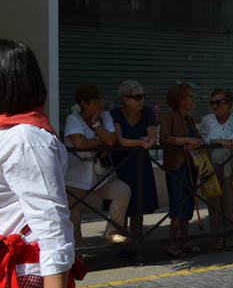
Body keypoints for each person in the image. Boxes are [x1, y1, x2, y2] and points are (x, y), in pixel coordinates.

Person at [0, 40, 112, 288]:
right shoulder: (12, 131)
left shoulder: (26, 138)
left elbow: (53, 221)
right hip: (15, 268)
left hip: (26, 273)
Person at [63, 84, 131, 245]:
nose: (100, 104)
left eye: (101, 99)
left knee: (123, 191)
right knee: (74, 218)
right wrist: (99, 143)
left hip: (101, 176)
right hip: (74, 177)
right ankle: (76, 255)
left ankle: (111, 232)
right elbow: (79, 142)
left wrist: (96, 126)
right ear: (84, 104)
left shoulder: (105, 116)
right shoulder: (73, 119)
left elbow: (111, 140)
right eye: (96, 101)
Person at [199, 88, 233, 249]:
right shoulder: (207, 120)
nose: (214, 106)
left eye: (218, 102)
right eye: (212, 102)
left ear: (228, 104)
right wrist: (216, 140)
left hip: (231, 166)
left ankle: (229, 235)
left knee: (230, 201)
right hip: (212, 166)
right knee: (214, 202)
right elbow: (200, 138)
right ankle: (216, 236)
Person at [110, 80, 159, 248]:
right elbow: (120, 140)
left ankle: (137, 245)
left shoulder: (147, 112)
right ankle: (122, 246)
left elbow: (153, 137)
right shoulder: (116, 113)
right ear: (125, 99)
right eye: (137, 97)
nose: (142, 100)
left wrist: (147, 141)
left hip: (141, 164)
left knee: (138, 208)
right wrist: (140, 143)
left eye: (143, 96)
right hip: (121, 164)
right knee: (122, 207)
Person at [159, 83, 204, 257]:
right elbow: (164, 138)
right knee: (177, 204)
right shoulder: (170, 116)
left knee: (188, 204)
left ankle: (185, 241)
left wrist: (196, 142)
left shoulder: (189, 119)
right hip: (176, 166)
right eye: (190, 96)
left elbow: (198, 138)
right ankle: (171, 243)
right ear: (180, 99)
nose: (193, 100)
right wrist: (185, 140)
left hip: (190, 165)